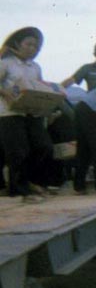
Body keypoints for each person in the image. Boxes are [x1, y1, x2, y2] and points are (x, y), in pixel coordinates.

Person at [0, 26, 56, 201]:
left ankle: (33, 182)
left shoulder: (35, 67)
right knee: (18, 151)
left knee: (44, 146)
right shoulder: (6, 63)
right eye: (28, 44)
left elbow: (38, 87)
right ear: (18, 44)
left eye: (36, 46)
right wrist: (6, 93)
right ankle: (19, 189)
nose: (32, 49)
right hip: (9, 113)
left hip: (31, 112)